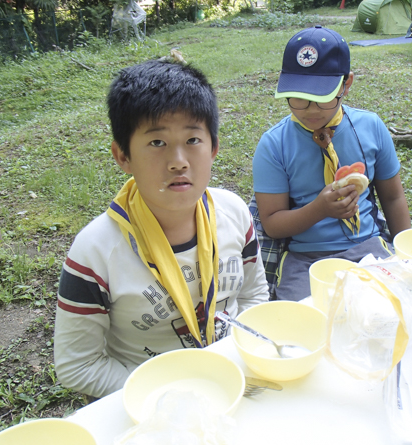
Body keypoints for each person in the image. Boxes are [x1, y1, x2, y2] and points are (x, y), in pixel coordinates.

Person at [54, 60, 269, 399]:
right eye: (157, 143)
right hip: (153, 403)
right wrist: (168, 394)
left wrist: (245, 363)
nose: (178, 161)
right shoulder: (95, 252)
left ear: (213, 148)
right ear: (122, 156)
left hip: (234, 380)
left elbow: (253, 297)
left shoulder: (235, 214)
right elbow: (77, 366)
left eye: (193, 139)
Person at [252, 25, 411, 301]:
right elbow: (272, 224)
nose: (310, 109)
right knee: (302, 323)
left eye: (322, 97)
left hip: (368, 248)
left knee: (395, 306)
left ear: (346, 84)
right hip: (305, 260)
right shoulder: (274, 144)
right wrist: (319, 209)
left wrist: (409, 254)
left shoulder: (370, 127)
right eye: (299, 97)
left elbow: (393, 197)